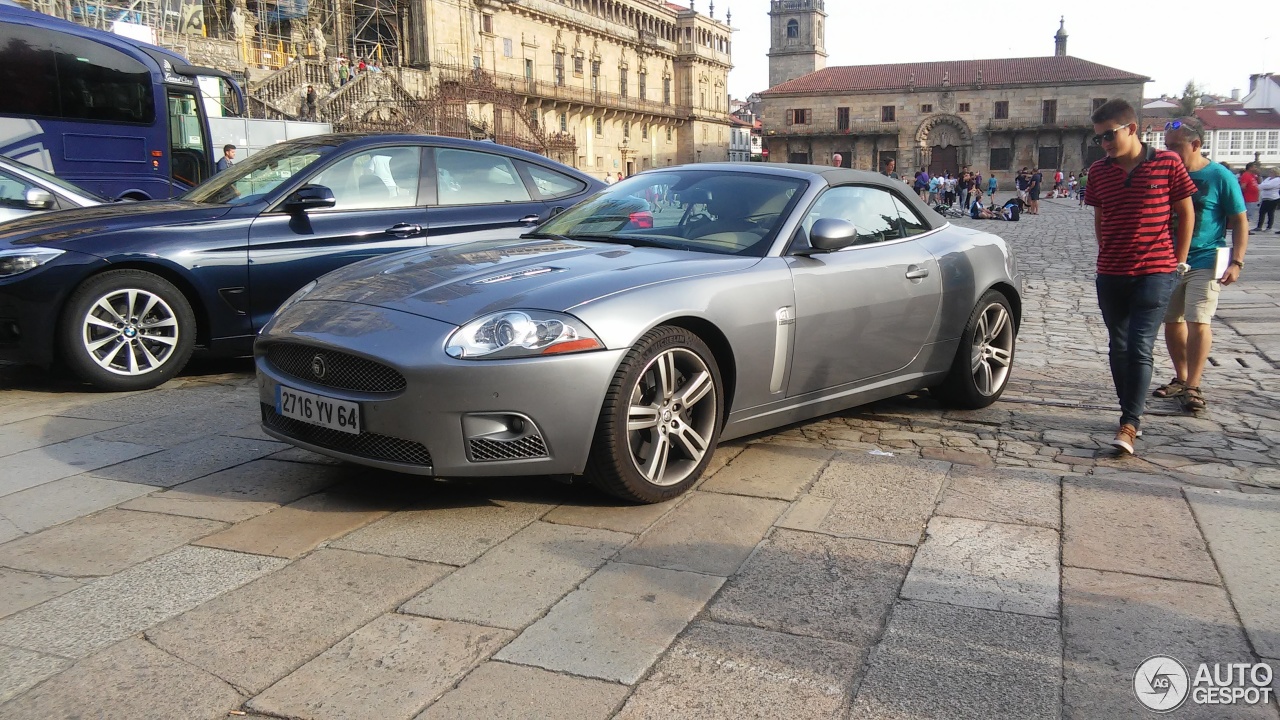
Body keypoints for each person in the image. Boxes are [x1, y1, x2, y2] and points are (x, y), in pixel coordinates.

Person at [1083, 99, 1195, 454]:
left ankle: (1130, 423)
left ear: (1131, 128)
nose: (1105, 143)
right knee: (1118, 345)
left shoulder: (1167, 163)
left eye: (1109, 135)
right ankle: (1129, 410)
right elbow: (1100, 218)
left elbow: (1185, 212)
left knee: (1140, 346)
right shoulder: (1100, 172)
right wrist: (1106, 255)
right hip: (1112, 271)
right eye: (1099, 138)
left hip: (1155, 270)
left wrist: (1178, 260)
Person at [1152, 117, 1248, 414]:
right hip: (1169, 257)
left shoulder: (1220, 177)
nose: (1169, 152)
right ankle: (1181, 377)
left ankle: (1194, 384)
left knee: (1198, 319)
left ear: (1196, 145)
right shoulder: (1165, 173)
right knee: (1172, 321)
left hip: (1206, 257)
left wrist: (1237, 261)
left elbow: (1240, 221)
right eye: (1165, 146)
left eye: (1175, 147)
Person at [1254, 167, 1278, 233]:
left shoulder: (1277, 180)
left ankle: (1269, 227)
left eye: (1272, 172)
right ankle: (1259, 226)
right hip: (1265, 198)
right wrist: (1263, 186)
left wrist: (1263, 186)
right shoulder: (1268, 179)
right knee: (1261, 212)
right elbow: (1262, 185)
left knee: (1270, 213)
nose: (1270, 173)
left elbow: (1268, 186)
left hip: (1273, 198)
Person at [1239, 162, 1260, 227]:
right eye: (1254, 167)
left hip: (1254, 198)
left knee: (1251, 215)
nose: (1256, 169)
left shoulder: (1253, 176)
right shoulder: (1246, 175)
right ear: (1250, 168)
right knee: (1248, 215)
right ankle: (1245, 228)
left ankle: (1247, 227)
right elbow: (1243, 186)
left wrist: (1258, 175)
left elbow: (1259, 182)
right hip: (1248, 198)